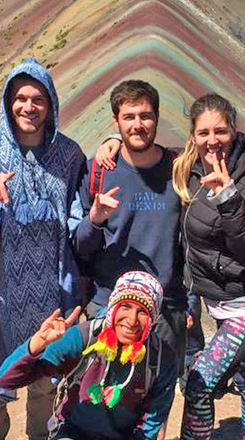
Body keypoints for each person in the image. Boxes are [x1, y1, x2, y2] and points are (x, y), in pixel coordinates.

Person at [0, 58, 86, 440]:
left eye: (38, 99)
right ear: (6, 102)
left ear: (51, 106)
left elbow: (77, 219)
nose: (28, 107)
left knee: (46, 382)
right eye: (20, 98)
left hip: (51, 290)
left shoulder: (69, 155)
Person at [169, 93, 245, 439]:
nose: (212, 140)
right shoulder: (190, 168)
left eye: (221, 131)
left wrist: (228, 196)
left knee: (199, 384)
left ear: (234, 130)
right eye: (203, 133)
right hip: (217, 302)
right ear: (193, 136)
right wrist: (111, 142)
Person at [0, 271, 176, 440]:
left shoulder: (161, 359)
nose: (131, 320)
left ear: (153, 318)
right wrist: (36, 344)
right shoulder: (84, 338)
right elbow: (6, 380)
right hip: (72, 432)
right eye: (125, 307)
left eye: (143, 312)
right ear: (113, 308)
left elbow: (151, 421)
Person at [85, 80, 187, 376]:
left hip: (167, 308)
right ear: (116, 121)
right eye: (129, 117)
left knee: (158, 401)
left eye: (145, 116)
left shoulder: (178, 168)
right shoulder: (100, 170)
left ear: (157, 117)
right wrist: (94, 221)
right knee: (103, 399)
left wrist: (189, 304)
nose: (138, 124)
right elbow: (80, 246)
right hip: (108, 307)